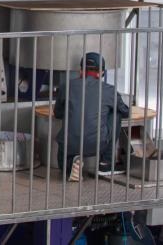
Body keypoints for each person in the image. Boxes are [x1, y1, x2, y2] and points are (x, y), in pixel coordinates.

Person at [54, 52, 130, 181]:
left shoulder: (66, 86)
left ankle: (70, 164)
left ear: (81, 70)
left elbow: (58, 113)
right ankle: (105, 163)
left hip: (68, 144)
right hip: (97, 144)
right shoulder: (109, 90)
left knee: (64, 160)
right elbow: (126, 112)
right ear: (101, 72)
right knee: (116, 113)